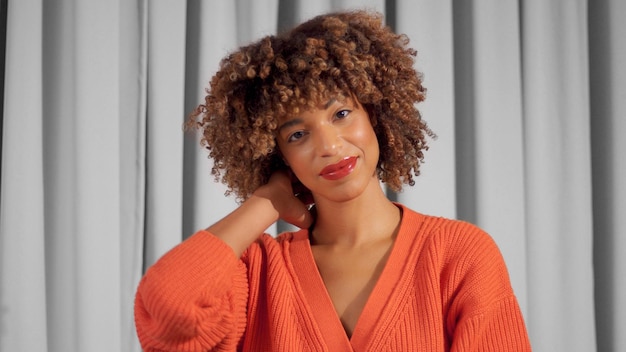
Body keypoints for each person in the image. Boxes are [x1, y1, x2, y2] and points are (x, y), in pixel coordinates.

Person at [134, 10, 531, 351]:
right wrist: (266, 202)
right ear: (277, 156)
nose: (328, 145)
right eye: (297, 135)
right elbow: (169, 310)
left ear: (373, 113)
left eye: (341, 114)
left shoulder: (458, 255)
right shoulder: (256, 272)